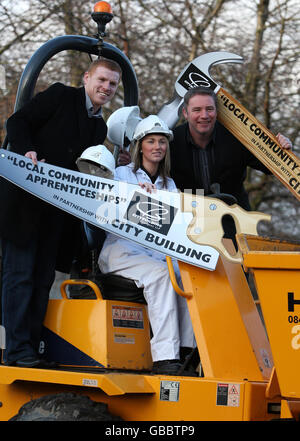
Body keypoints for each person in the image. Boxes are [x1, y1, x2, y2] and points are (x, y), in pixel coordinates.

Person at [0, 57, 121, 368]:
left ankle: (31, 347)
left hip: (55, 211)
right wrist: (27, 149)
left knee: (42, 279)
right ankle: (16, 350)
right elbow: (17, 122)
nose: (106, 88)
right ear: (86, 78)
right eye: (102, 80)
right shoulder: (59, 96)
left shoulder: (99, 126)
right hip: (24, 204)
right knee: (21, 275)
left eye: (112, 84)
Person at [118, 87, 292, 242]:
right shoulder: (171, 142)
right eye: (197, 110)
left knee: (240, 271)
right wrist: (129, 163)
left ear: (217, 112)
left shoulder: (238, 139)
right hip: (192, 222)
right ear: (185, 113)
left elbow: (272, 166)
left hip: (235, 218)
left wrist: (281, 149)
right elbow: (149, 165)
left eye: (209, 109)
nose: (204, 115)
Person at [98, 115, 196, 376]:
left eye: (162, 142)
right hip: (122, 251)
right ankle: (165, 357)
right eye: (151, 141)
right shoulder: (121, 174)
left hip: (153, 253)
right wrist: (135, 197)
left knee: (187, 275)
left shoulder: (169, 184)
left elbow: (174, 224)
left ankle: (187, 351)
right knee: (162, 275)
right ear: (140, 146)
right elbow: (106, 211)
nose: (157, 147)